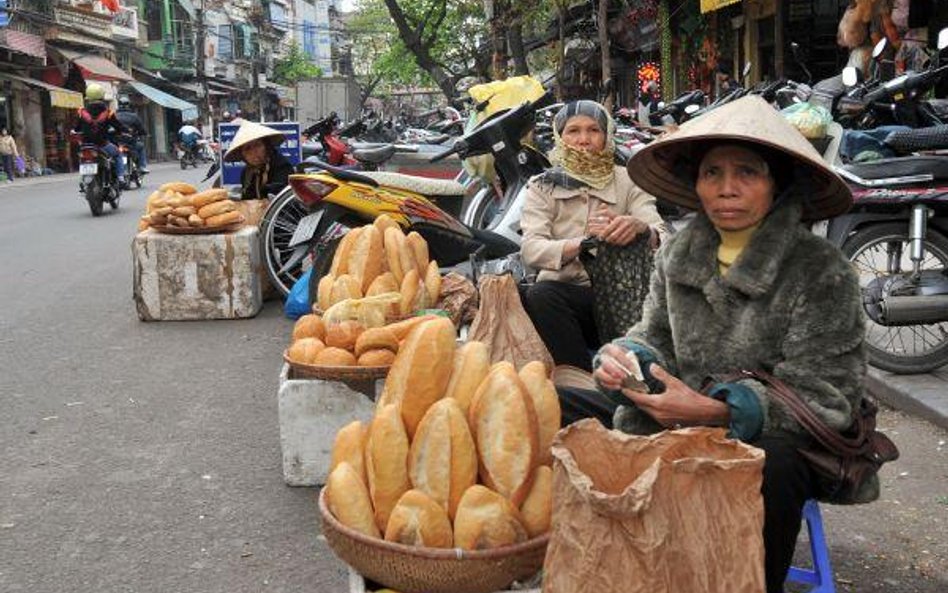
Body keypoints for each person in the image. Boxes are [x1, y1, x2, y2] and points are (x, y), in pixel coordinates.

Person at [561, 96, 865, 593]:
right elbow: (652, 335)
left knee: (775, 462)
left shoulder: (820, 270)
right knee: (559, 402)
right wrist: (624, 362)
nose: (726, 188)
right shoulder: (679, 252)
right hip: (679, 414)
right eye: (712, 173)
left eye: (747, 172)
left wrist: (718, 412)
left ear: (778, 183)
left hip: (775, 435)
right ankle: (641, 570)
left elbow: (829, 394)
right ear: (696, 183)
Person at [520, 100, 669, 373]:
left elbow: (662, 236)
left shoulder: (629, 180)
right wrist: (584, 243)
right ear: (560, 137)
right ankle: (581, 381)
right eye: (573, 131)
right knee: (540, 295)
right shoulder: (542, 186)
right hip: (569, 299)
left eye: (593, 130)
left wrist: (639, 228)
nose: (584, 140)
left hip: (625, 296)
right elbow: (531, 250)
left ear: (606, 136)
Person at [223, 120, 292, 201]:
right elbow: (247, 198)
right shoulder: (246, 173)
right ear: (243, 155)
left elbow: (279, 197)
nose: (254, 151)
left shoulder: (281, 165)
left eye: (257, 145)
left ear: (266, 146)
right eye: (247, 149)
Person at [73, 83, 128, 183]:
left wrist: (75, 131)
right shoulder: (107, 112)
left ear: (88, 97)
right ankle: (120, 177)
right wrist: (125, 131)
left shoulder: (82, 112)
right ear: (102, 96)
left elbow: (76, 128)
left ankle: (84, 179)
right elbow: (118, 126)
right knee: (118, 154)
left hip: (86, 145)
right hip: (102, 145)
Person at [115, 95, 149, 173]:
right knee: (141, 146)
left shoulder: (114, 116)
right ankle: (142, 166)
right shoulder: (134, 116)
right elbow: (141, 129)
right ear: (128, 105)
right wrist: (144, 133)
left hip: (117, 142)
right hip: (130, 142)